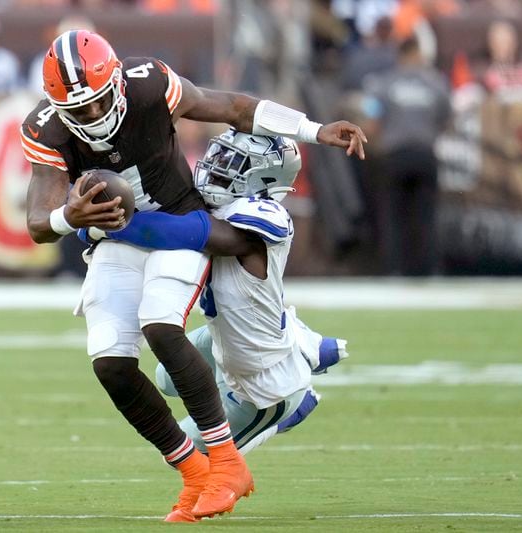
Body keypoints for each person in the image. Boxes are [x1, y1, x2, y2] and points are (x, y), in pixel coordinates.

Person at [20, 30, 366, 522]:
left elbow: (234, 109)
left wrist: (311, 129)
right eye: (80, 112)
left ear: (118, 84)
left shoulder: (151, 85)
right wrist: (68, 220)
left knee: (161, 325)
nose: (94, 117)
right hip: (122, 239)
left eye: (99, 104)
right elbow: (38, 222)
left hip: (175, 229)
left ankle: (227, 460)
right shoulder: (46, 128)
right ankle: (193, 471)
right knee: (109, 361)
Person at [81, 130, 349, 457]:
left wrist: (106, 226)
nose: (216, 166)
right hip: (226, 330)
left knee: (188, 447)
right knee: (167, 376)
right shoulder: (218, 202)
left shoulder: (261, 215)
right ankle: (304, 341)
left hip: (259, 378)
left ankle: (291, 407)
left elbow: (187, 232)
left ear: (264, 177)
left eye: (232, 162)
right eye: (219, 155)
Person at [363, 36, 450, 276]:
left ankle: (394, 269)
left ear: (399, 55)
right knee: (426, 215)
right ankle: (429, 269)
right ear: (419, 54)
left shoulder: (383, 83)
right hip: (425, 153)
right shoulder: (435, 83)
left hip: (395, 154)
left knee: (393, 215)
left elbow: (371, 118)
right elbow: (446, 117)